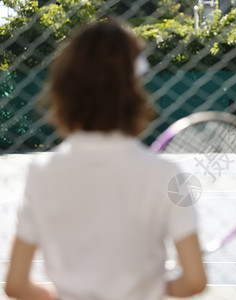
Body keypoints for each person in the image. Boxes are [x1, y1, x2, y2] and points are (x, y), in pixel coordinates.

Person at [4, 19, 206, 300]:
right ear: (134, 91)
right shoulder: (165, 174)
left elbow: (15, 285)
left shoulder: (41, 173)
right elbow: (195, 280)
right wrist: (151, 289)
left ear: (64, 90)